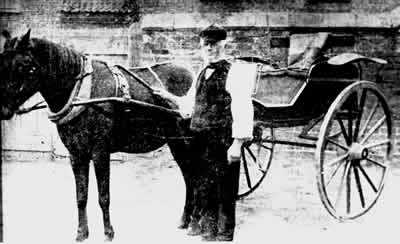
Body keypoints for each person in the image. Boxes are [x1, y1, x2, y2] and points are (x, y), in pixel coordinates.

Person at [153, 24, 256, 241]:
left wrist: (237, 143)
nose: (209, 49)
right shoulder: (201, 72)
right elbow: (190, 105)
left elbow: (243, 107)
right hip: (200, 140)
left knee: (225, 190)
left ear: (223, 45)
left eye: (213, 45)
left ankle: (225, 235)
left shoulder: (235, 71)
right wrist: (168, 96)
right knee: (204, 187)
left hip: (223, 141)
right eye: (205, 45)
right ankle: (209, 233)